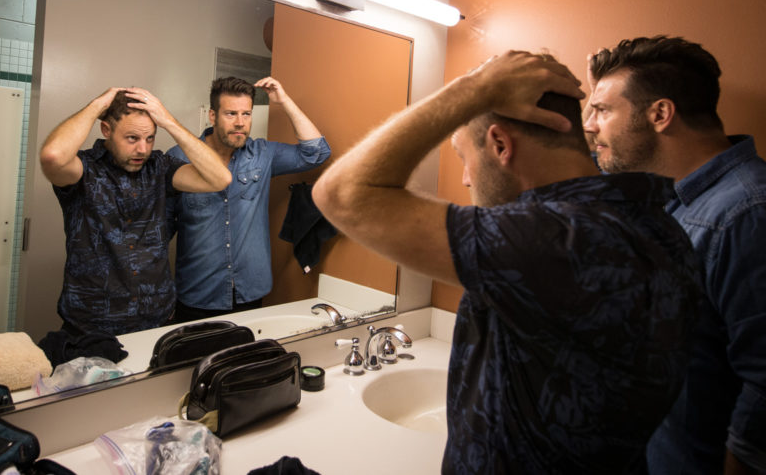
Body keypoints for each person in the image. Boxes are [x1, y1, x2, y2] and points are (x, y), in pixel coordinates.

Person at [312, 51, 704, 474]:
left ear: (500, 145)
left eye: (463, 156)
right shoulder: (656, 224)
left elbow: (341, 194)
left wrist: (474, 88)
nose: (464, 178)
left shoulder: (546, 239)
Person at [584, 36, 766, 475]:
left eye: (603, 111)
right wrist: (602, 98)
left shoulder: (745, 214)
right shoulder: (677, 199)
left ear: (661, 114)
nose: (590, 125)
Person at [39, 87, 232, 336]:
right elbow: (53, 156)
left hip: (156, 320)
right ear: (106, 130)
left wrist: (168, 121)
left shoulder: (161, 167)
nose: (143, 149)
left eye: (149, 138)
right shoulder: (84, 169)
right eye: (132, 138)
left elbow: (220, 178)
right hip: (91, 327)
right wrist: (98, 105)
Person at [168, 76, 330, 322]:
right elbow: (160, 227)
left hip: (249, 293)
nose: (240, 123)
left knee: (244, 360)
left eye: (246, 114)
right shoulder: (179, 157)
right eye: (231, 114)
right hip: (197, 294)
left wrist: (284, 101)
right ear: (212, 116)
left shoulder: (262, 155)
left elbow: (317, 153)